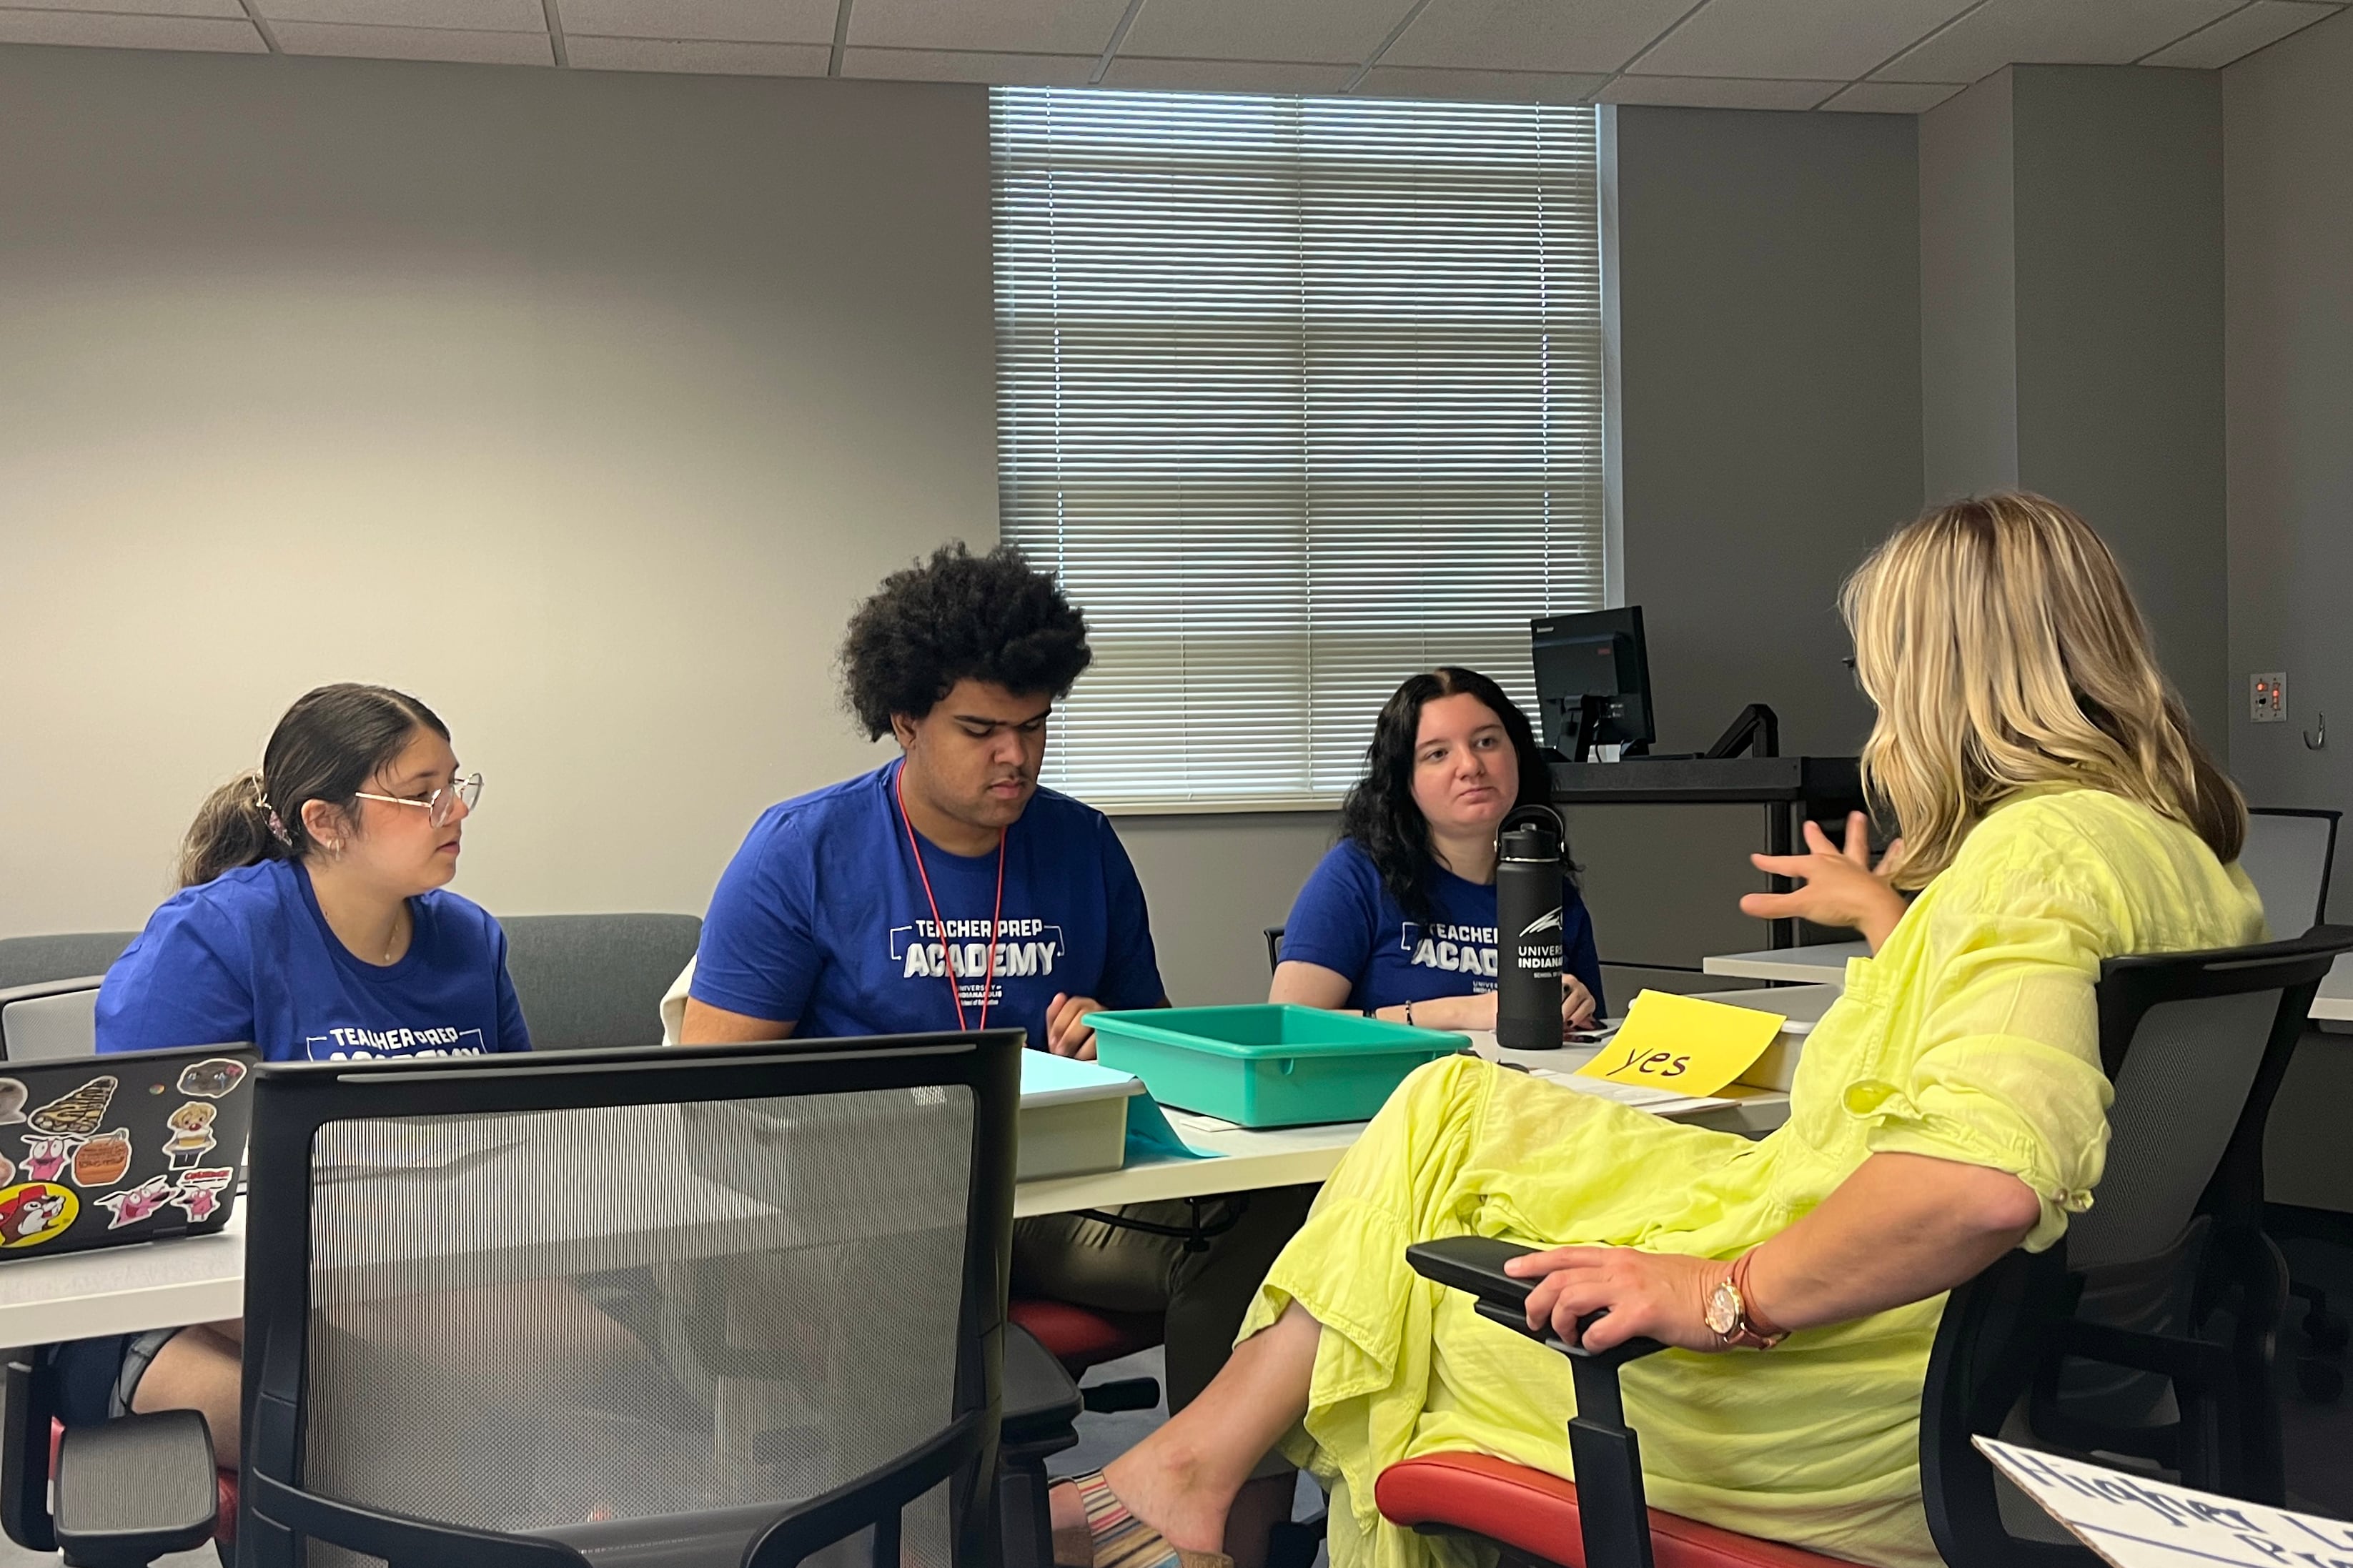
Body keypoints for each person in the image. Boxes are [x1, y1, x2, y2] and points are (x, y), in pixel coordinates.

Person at [1049, 492, 2264, 1568]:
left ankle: (1185, 1472)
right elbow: (2013, 1038)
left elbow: (1982, 1180)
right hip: (2012, 1359)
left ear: (1948, 677)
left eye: (1885, 671)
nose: (1880, 704)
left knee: (1406, 1316)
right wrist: (1889, 920)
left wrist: (1719, 1289)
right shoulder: (2181, 855)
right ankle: (1190, 1466)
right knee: (1446, 1103)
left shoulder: (2032, 852)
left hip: (1850, 1395)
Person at [679, 542, 1315, 1557]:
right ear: (906, 720)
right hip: (871, 1200)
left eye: (1034, 727)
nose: (1015, 756)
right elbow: (712, 1084)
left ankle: (1208, 1522)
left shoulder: (1083, 845)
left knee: (1282, 1225)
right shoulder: (803, 849)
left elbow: (1153, 1051)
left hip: (1059, 1190)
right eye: (980, 730)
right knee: (889, 1294)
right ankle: (912, 1539)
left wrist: (1109, 1030)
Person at [70, 683, 527, 1464]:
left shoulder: (469, 940)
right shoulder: (214, 939)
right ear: (325, 821)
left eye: (456, 785)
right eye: (422, 794)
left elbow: (529, 1132)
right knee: (416, 1432)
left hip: (425, 1264)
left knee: (607, 1367)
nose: (455, 810)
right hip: (214, 1297)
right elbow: (143, 1190)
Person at [1271, 668, 1602, 1031]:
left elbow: (1593, 1038)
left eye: (1486, 742)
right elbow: (1291, 1028)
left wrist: (1575, 1006)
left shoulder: (1549, 887)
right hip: (1394, 1086)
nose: (1471, 766)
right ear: (1404, 781)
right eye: (1438, 754)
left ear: (1519, 754)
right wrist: (1462, 1013)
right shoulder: (1356, 876)